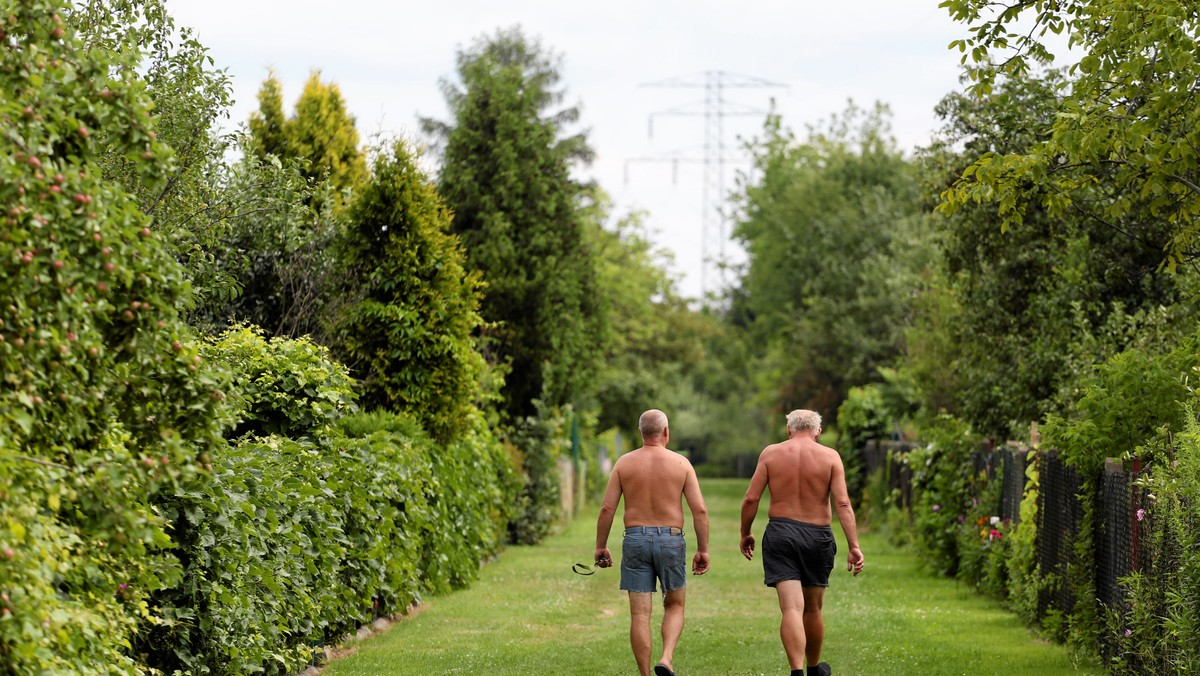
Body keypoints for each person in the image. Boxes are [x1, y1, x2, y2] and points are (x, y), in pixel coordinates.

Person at [739, 409, 864, 676]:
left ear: (789, 429)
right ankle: (813, 668)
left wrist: (745, 533)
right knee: (813, 608)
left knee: (791, 608)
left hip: (781, 534)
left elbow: (751, 499)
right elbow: (842, 502)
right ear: (818, 432)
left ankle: (796, 671)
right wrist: (854, 545)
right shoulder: (830, 457)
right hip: (818, 536)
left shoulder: (771, 453)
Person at [595, 409, 710, 676]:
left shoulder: (624, 463)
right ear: (666, 432)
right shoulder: (681, 464)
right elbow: (700, 510)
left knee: (639, 614)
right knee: (675, 604)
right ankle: (666, 659)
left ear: (641, 433)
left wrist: (600, 546)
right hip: (670, 540)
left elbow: (606, 509)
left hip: (634, 540)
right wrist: (703, 549)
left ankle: (646, 674)